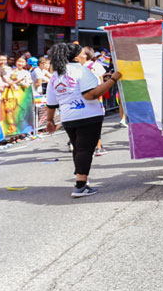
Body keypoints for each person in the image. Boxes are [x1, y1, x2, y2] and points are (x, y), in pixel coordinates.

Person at [45, 43, 121, 198]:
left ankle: (81, 180)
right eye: (83, 54)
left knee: (79, 148)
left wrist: (49, 120)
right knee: (85, 150)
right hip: (88, 115)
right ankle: (80, 185)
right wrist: (113, 79)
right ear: (75, 57)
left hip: (68, 117)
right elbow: (90, 95)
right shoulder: (81, 70)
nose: (85, 56)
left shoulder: (56, 75)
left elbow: (51, 102)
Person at [77, 46, 107, 157]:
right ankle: (98, 147)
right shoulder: (96, 66)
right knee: (96, 122)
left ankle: (78, 144)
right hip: (95, 97)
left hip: (81, 97)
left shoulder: (78, 67)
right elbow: (101, 82)